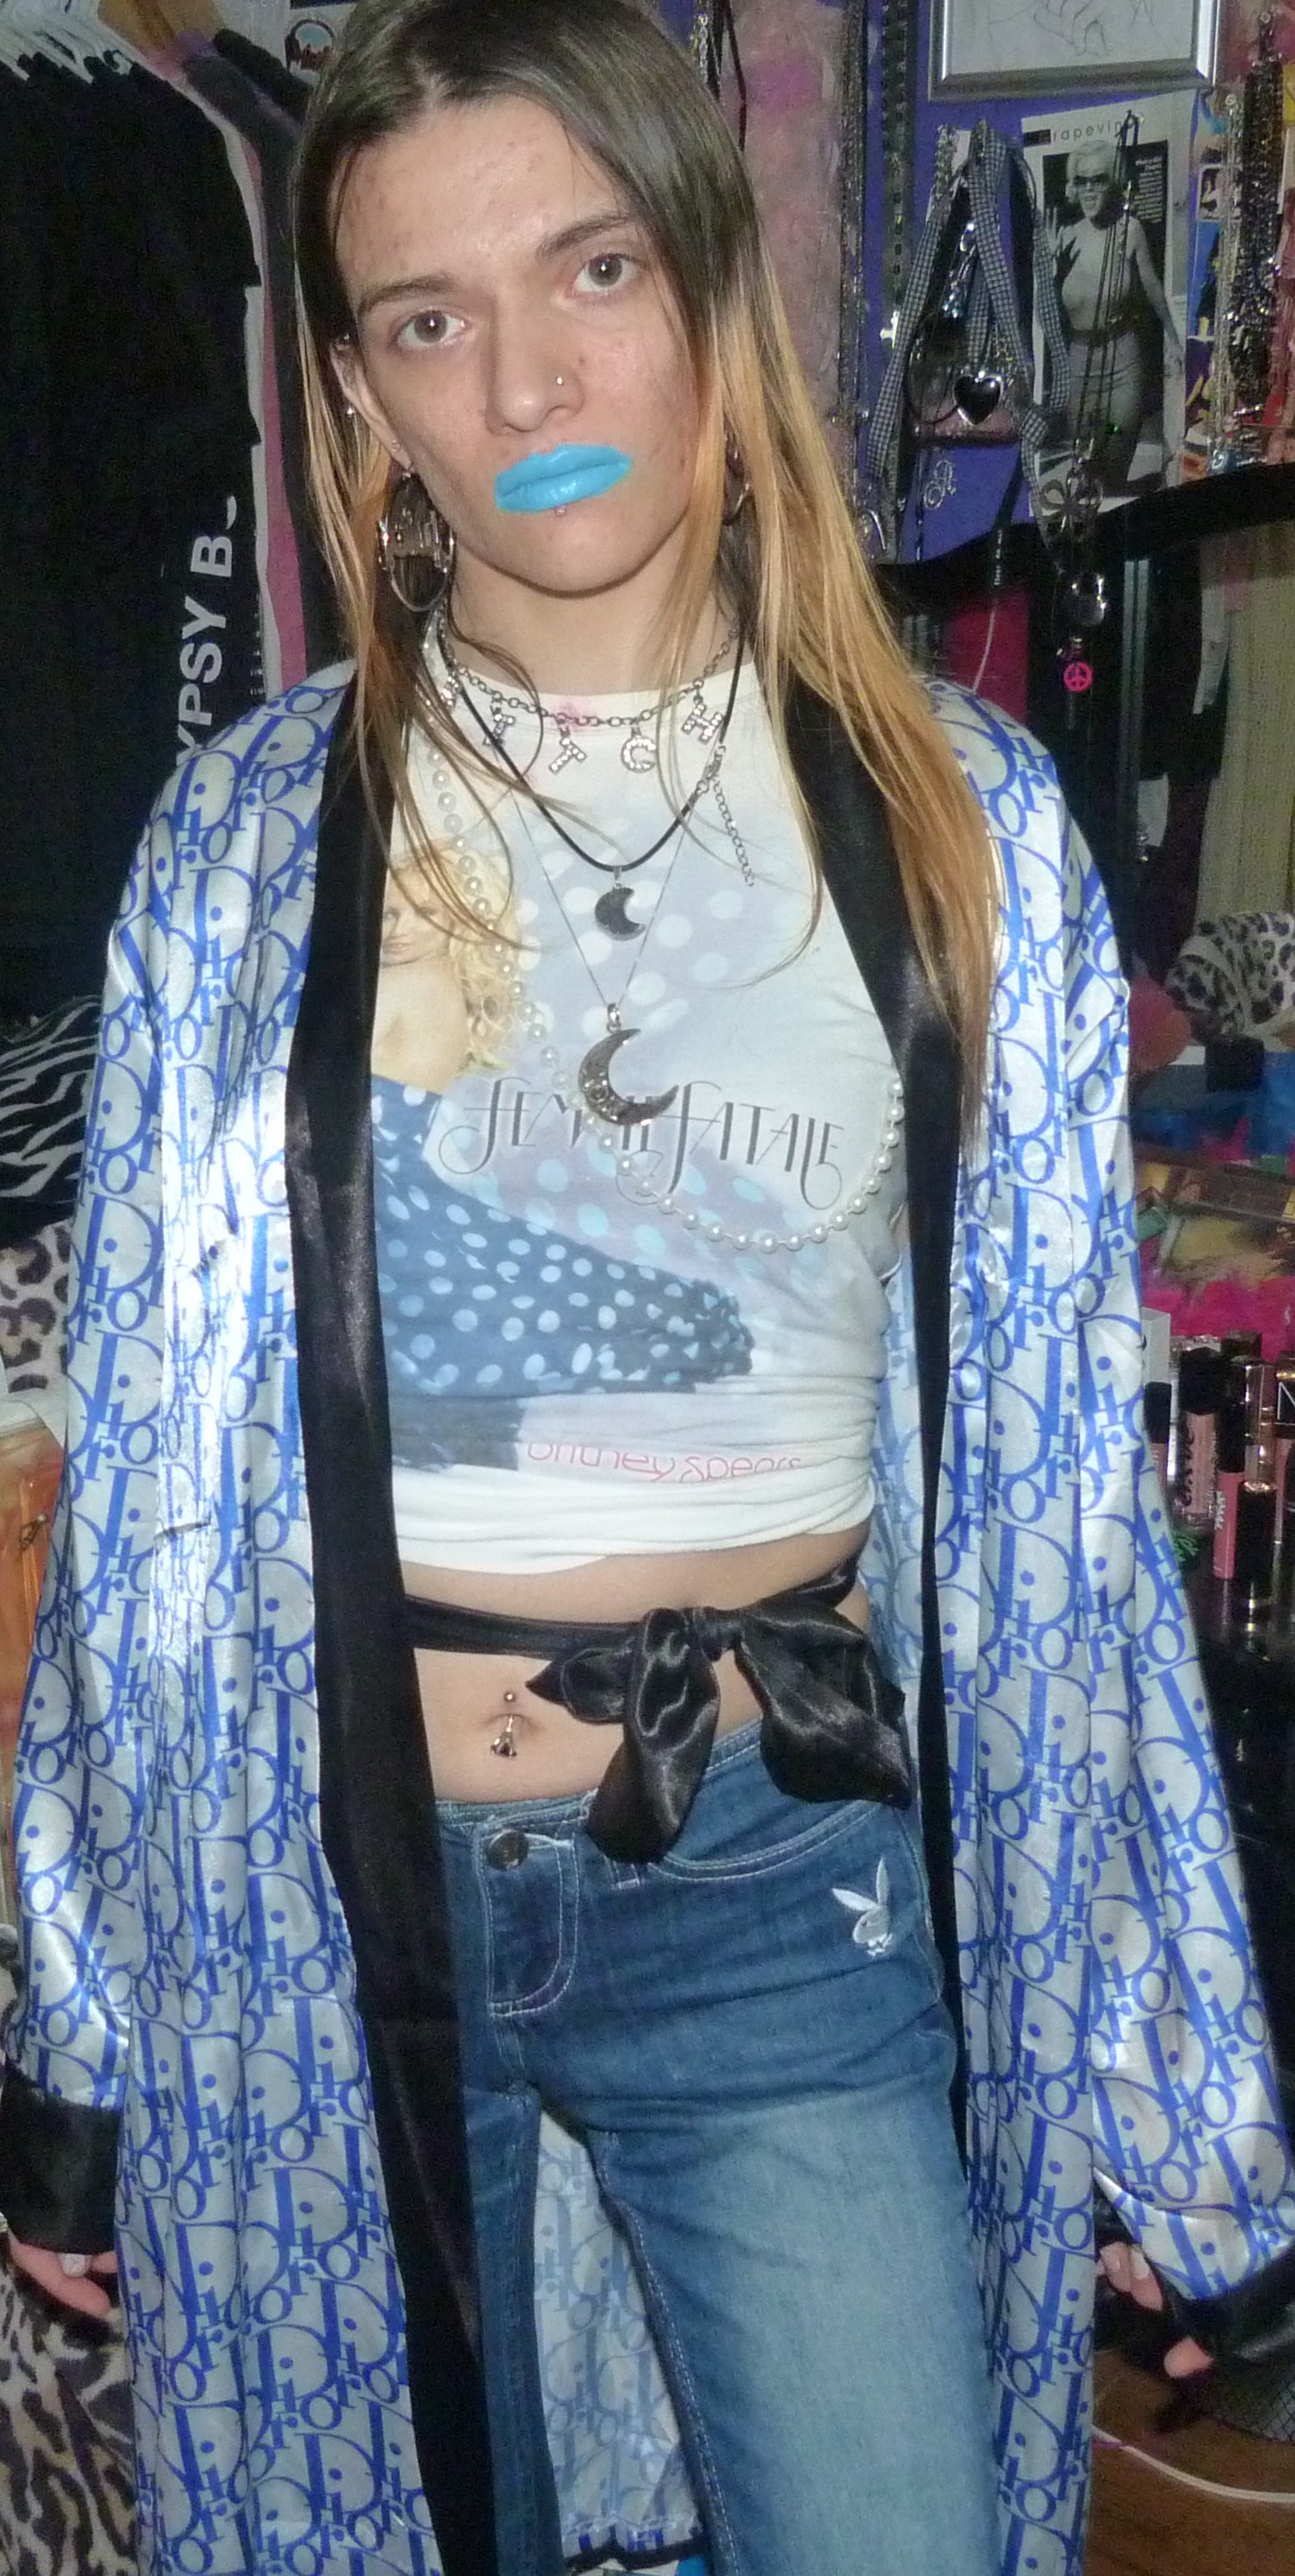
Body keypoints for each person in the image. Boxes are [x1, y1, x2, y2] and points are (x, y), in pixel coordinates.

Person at [1, 5, 1293, 2575]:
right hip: (337, 1912)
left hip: (776, 1886)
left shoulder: (957, 819)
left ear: (706, 280)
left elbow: (1059, 1513)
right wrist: (81, 2026)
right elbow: (143, 1507)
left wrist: (1166, 2085)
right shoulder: (248, 848)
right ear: (354, 396)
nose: (524, 379)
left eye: (588, 269)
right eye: (429, 315)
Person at [1049, 142, 1183, 492]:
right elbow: (1043, 320)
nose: (1089, 189)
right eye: (1082, 181)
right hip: (1079, 365)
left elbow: (1153, 289)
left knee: (1116, 444)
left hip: (1124, 362)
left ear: (1113, 183)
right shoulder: (1064, 238)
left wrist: (1173, 338)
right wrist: (1051, 271)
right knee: (1085, 462)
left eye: (1098, 180)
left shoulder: (1130, 230)